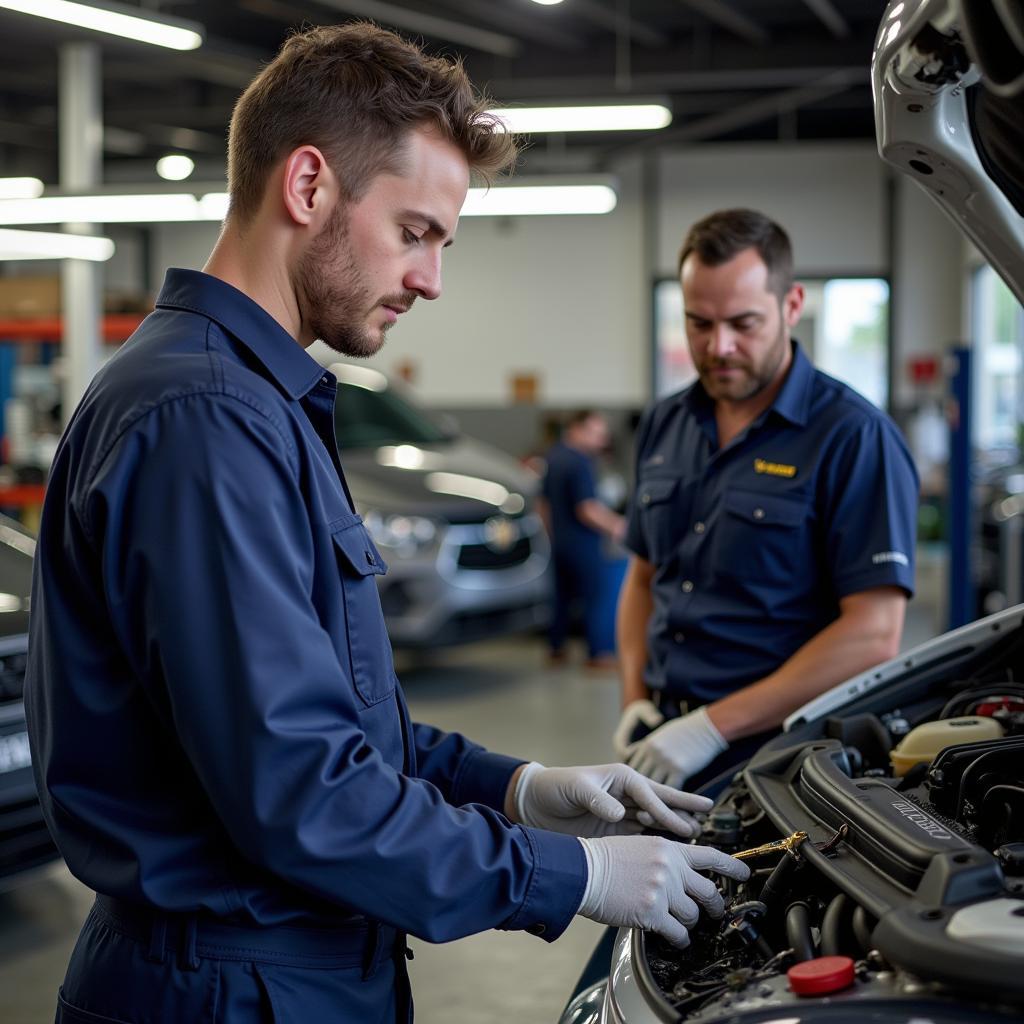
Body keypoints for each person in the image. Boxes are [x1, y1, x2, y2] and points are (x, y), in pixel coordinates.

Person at [24, 25, 749, 1024]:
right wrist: (568, 874)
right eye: (414, 232)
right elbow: (304, 792)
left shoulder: (254, 402)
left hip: (281, 972)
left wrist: (520, 786)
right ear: (309, 186)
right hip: (229, 989)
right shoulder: (202, 420)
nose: (430, 279)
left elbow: (336, 725)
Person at [613, 208, 918, 791]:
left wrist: (710, 728)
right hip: (661, 741)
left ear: (792, 305)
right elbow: (641, 578)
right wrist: (634, 701)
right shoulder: (665, 423)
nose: (718, 346)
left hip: (781, 759)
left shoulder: (853, 437)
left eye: (743, 323)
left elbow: (874, 631)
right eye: (698, 323)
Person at [541, 410, 626, 667]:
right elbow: (587, 508)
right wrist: (618, 526)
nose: (600, 441)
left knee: (561, 598)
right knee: (596, 597)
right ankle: (599, 655)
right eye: (595, 433)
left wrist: (551, 535)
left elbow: (542, 504)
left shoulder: (554, 457)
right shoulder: (580, 462)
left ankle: (556, 650)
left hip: (560, 541)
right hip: (583, 543)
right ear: (576, 429)